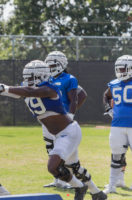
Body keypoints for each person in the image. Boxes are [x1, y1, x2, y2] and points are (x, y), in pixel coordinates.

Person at [0, 60, 106, 200]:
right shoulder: (30, 87)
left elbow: (29, 91)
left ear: (42, 76)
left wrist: (4, 88)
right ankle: (97, 193)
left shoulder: (50, 89)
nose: (27, 80)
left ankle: (79, 187)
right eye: (26, 77)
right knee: (74, 167)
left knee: (53, 167)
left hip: (69, 132)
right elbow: (18, 92)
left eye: (31, 77)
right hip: (59, 134)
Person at [43, 51, 88, 189]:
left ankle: (65, 180)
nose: (49, 68)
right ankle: (57, 179)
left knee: (61, 151)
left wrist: (70, 114)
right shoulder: (47, 79)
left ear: (61, 64)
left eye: (52, 65)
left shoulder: (69, 78)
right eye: (48, 65)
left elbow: (78, 97)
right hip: (47, 119)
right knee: (50, 149)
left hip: (61, 120)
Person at [103, 55, 132, 194]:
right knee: (116, 156)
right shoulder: (113, 83)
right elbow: (106, 95)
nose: (120, 71)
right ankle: (112, 185)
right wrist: (108, 109)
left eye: (123, 68)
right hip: (117, 125)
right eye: (118, 68)